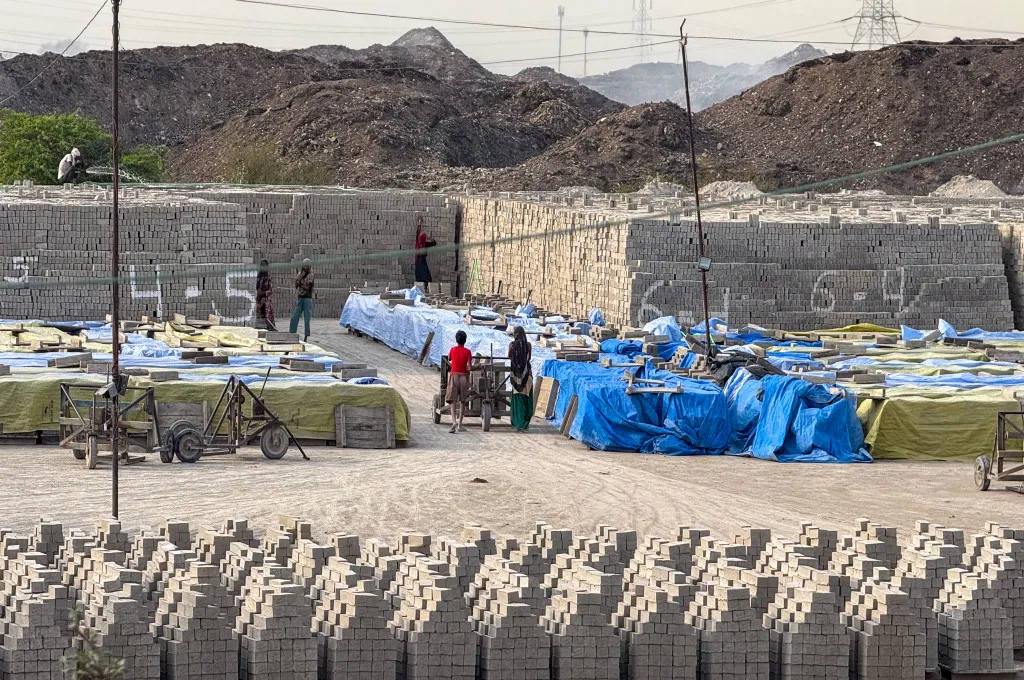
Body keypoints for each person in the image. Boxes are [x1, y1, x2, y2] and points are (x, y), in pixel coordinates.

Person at [446, 330, 473, 434]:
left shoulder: (452, 349)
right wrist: (478, 366)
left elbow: (449, 359)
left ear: (456, 339)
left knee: (452, 401)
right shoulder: (468, 352)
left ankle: (454, 422)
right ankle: (460, 424)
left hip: (454, 376)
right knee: (463, 401)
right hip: (464, 377)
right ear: (465, 340)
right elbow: (470, 367)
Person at [508, 325, 534, 432]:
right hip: (527, 376)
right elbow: (529, 358)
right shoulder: (528, 345)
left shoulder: (512, 345)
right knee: (527, 399)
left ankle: (519, 423)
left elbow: (509, 356)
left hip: (516, 376)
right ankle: (525, 422)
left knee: (518, 398)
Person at [289, 259, 314, 341]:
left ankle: (306, 336)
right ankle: (292, 334)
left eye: (307, 267)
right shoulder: (300, 274)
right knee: (294, 317)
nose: (306, 268)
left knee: (307, 319)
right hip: (300, 298)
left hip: (307, 299)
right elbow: (296, 285)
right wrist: (300, 278)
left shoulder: (311, 275)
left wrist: (299, 283)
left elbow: (307, 288)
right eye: (304, 267)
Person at [415, 215, 437, 285]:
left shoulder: (417, 242)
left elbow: (418, 232)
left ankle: (421, 288)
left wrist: (419, 223)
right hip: (422, 261)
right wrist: (430, 238)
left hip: (417, 260)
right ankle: (426, 288)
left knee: (419, 276)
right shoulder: (425, 244)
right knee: (425, 276)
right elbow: (434, 243)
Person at [255, 259, 276, 331]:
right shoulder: (258, 278)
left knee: (267, 319)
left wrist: (263, 294)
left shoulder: (269, 278)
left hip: (266, 301)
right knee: (259, 320)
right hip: (258, 300)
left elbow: (270, 290)